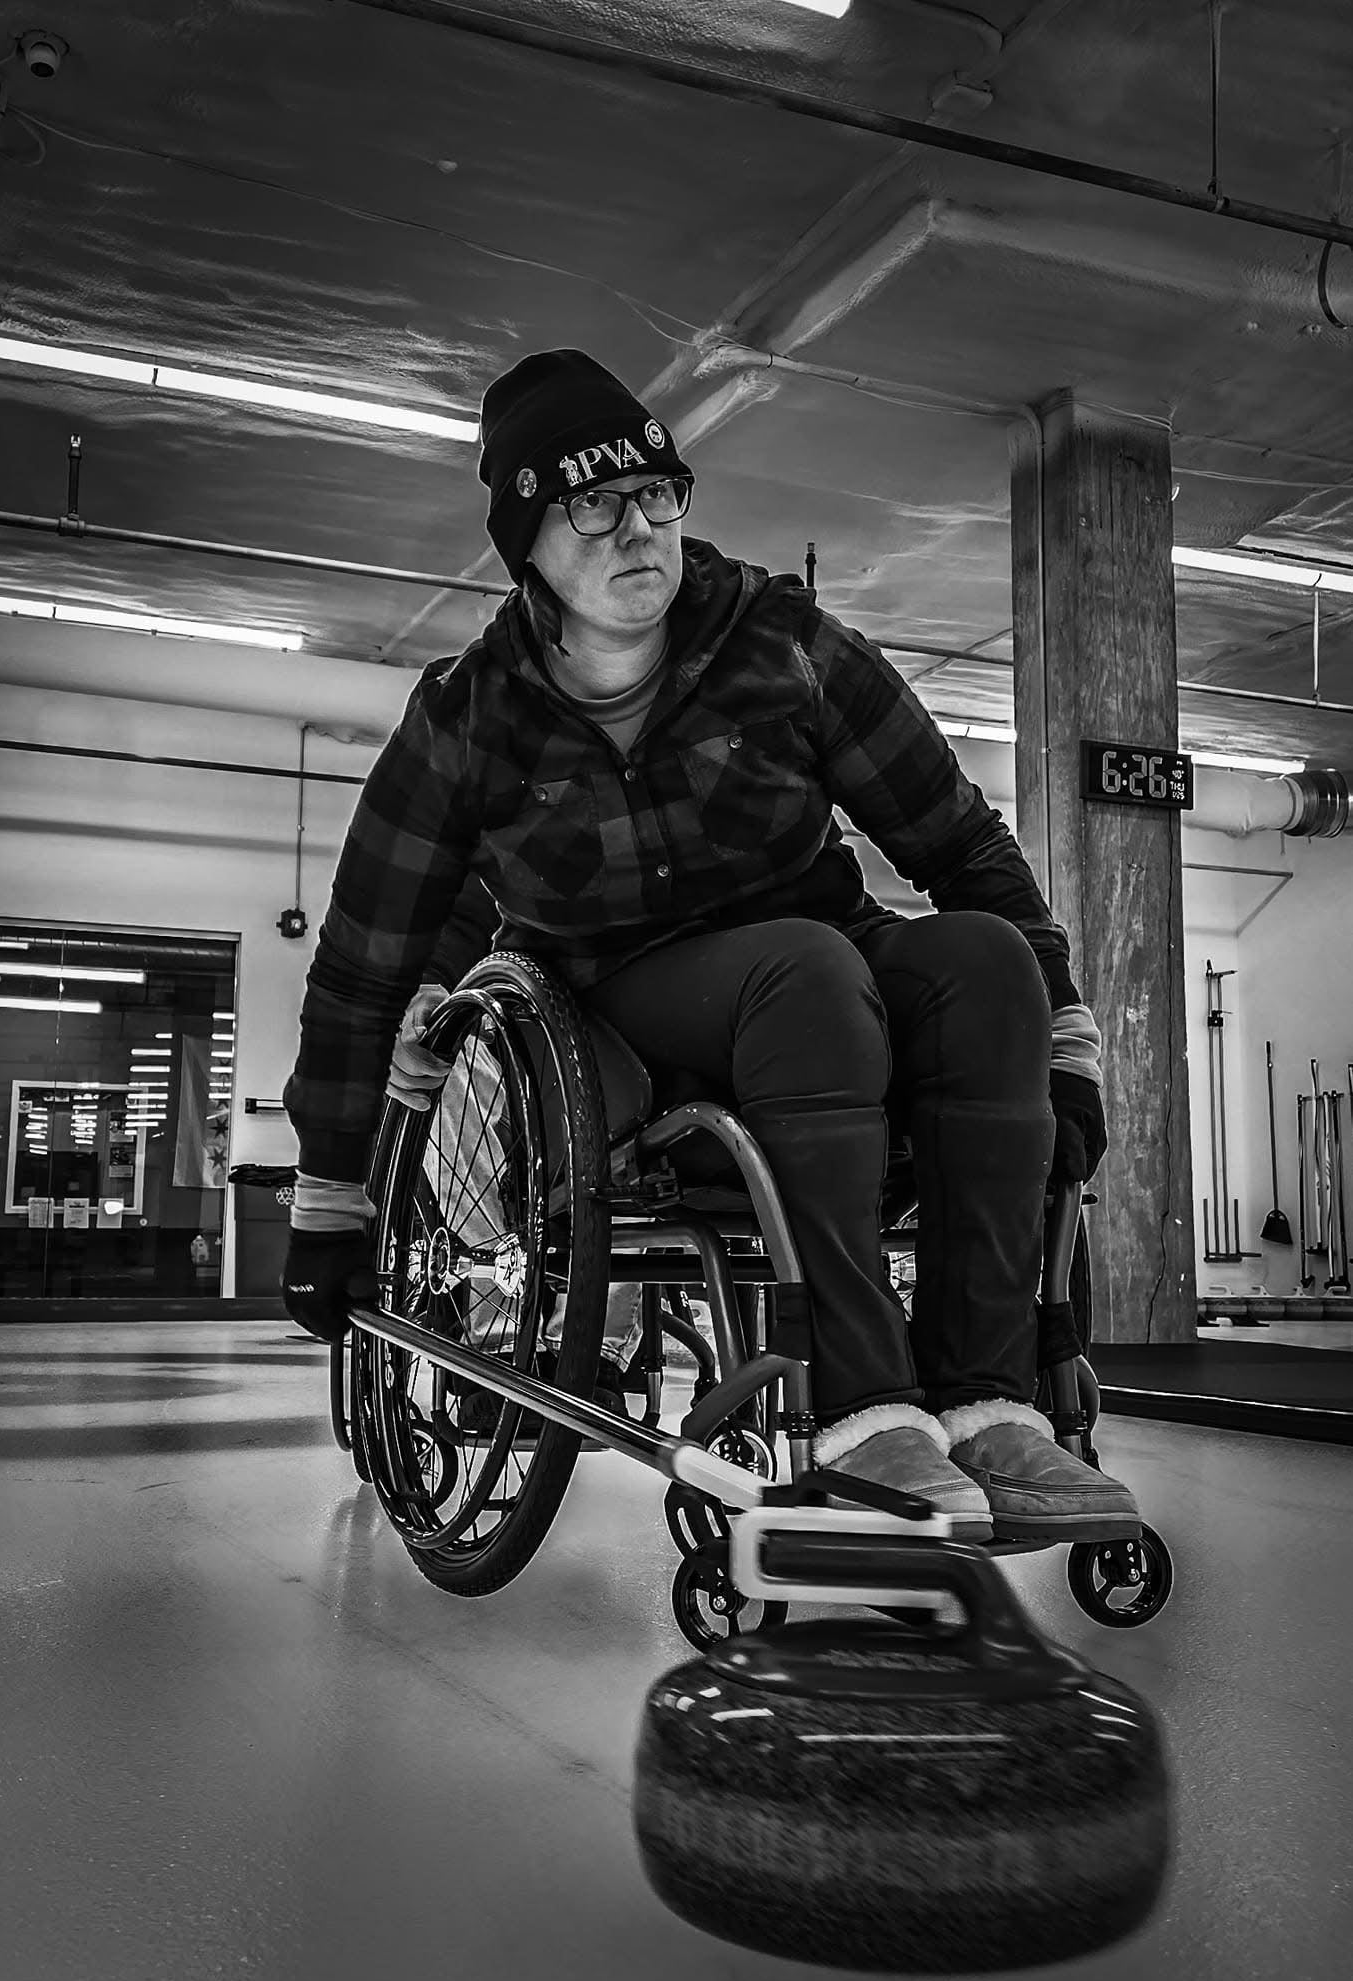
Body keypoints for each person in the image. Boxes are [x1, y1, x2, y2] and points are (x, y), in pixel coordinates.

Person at [281, 347, 1139, 1546]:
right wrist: (331, 1196)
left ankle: (992, 1402)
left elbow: (959, 839)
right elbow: (368, 953)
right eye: (593, 505)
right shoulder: (469, 718)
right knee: (805, 967)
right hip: (628, 1012)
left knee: (983, 955)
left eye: (656, 494)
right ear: (527, 540)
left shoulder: (777, 644)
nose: (637, 530)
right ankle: (863, 1415)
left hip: (827, 970)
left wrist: (1066, 1036)